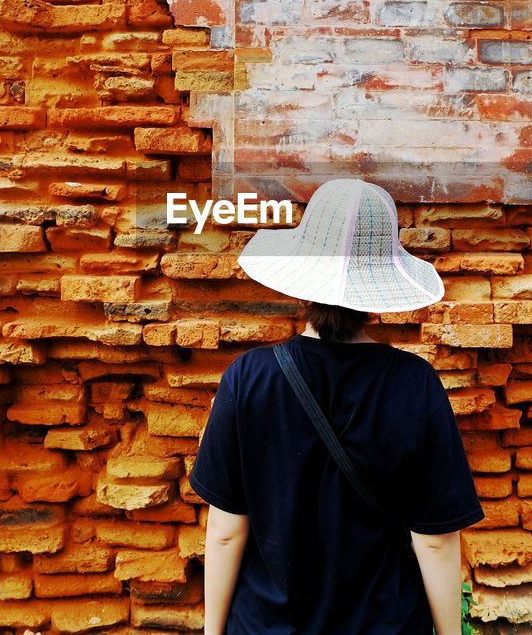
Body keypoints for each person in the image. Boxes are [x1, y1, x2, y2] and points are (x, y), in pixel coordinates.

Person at [188, 178, 485, 635]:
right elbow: (437, 543)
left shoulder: (248, 377)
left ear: (304, 276)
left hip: (267, 624)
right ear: (379, 290)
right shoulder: (415, 383)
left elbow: (227, 530)